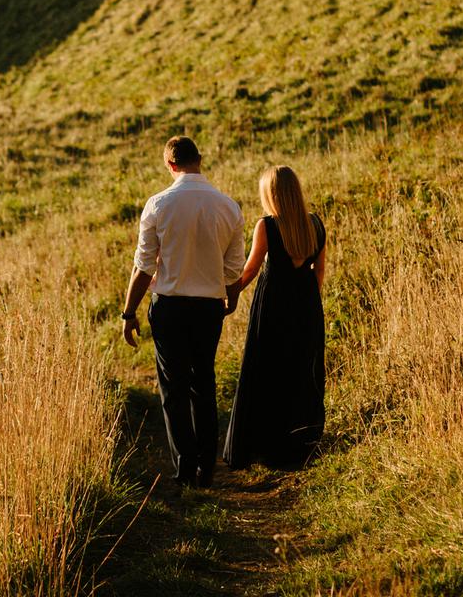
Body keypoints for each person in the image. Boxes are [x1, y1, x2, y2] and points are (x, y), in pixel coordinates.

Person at [121, 135, 245, 488]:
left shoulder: (158, 204)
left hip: (170, 307)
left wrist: (128, 312)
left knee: (173, 387)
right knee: (203, 382)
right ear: (199, 159)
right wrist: (231, 299)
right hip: (208, 308)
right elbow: (233, 269)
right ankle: (207, 466)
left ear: (170, 164)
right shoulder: (228, 207)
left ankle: (185, 466)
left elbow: (144, 266)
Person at [223, 165, 327, 469]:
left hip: (273, 307)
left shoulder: (267, 226)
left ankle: (266, 444)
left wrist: (229, 294)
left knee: (268, 369)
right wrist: (308, 303)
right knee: (301, 370)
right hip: (307, 306)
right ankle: (299, 442)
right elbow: (319, 271)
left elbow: (251, 269)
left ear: (271, 194)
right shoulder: (315, 224)